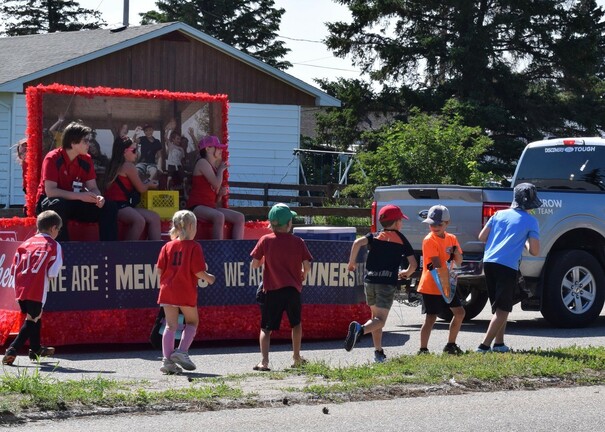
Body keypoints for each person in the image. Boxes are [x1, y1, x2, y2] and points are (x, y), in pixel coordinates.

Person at [344, 204, 418, 362]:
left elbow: (357, 243)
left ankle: (378, 352)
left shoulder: (375, 235)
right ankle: (360, 329)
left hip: (370, 281)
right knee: (381, 320)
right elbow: (413, 264)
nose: (402, 224)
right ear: (397, 222)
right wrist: (407, 273)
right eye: (401, 221)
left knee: (375, 319)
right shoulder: (401, 239)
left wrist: (351, 263)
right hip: (386, 283)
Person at [476, 183, 541, 353]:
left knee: (499, 307)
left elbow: (482, 237)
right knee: (503, 310)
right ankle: (483, 346)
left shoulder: (498, 214)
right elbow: (535, 251)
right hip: (507, 266)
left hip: (489, 263)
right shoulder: (531, 221)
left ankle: (499, 344)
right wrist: (525, 241)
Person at [250, 203, 312, 371]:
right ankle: (296, 357)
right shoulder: (298, 242)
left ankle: (264, 362)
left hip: (272, 290)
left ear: (271, 223)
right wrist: (303, 273)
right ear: (289, 223)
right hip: (292, 290)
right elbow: (307, 266)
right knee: (296, 324)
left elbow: (254, 265)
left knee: (266, 328)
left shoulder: (265, 240)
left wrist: (266, 261)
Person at [35, 121, 118, 242]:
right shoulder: (52, 158)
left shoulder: (86, 159)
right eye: (85, 141)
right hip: (50, 202)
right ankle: (63, 249)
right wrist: (80, 196)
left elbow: (93, 187)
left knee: (109, 207)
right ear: (73, 142)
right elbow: (50, 192)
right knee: (58, 204)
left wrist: (98, 197)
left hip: (76, 200)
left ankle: (109, 249)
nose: (88, 144)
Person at [156, 210, 216, 374]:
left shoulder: (167, 246)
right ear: (191, 226)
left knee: (170, 325)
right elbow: (198, 272)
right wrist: (210, 278)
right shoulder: (194, 246)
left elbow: (159, 270)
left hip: (167, 290)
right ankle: (182, 351)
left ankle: (167, 360)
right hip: (185, 291)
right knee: (192, 322)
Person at [2, 210, 63, 365]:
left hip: (20, 287)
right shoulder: (54, 245)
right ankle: (12, 349)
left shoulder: (25, 244)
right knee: (33, 318)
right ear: (53, 228)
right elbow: (53, 272)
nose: (58, 233)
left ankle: (35, 349)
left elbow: (14, 268)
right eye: (59, 229)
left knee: (35, 315)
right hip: (37, 287)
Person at [416, 205, 465, 355]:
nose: (434, 227)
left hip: (447, 284)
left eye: (439, 224)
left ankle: (450, 345)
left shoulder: (452, 238)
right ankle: (423, 349)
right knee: (431, 318)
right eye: (431, 224)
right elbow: (436, 265)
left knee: (460, 313)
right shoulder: (429, 240)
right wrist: (447, 281)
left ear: (447, 223)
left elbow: (459, 261)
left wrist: (455, 251)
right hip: (432, 284)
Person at [102, 135, 162, 240]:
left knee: (154, 217)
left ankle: (155, 250)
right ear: (125, 151)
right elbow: (142, 189)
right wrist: (149, 184)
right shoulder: (129, 166)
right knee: (139, 220)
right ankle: (128, 251)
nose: (136, 153)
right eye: (134, 150)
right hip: (118, 206)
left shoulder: (111, 164)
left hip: (113, 206)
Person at [186, 135, 245, 240]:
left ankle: (237, 250)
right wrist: (221, 170)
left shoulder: (213, 167)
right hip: (196, 206)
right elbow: (216, 184)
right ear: (208, 149)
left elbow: (216, 199)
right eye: (216, 147)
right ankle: (218, 251)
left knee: (239, 217)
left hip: (210, 207)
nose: (220, 150)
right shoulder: (202, 162)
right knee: (219, 216)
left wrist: (220, 194)